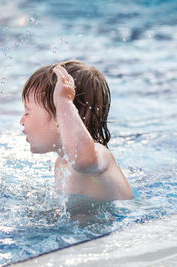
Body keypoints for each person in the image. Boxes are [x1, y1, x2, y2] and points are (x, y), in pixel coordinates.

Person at [20, 60, 133, 201]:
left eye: (27, 112)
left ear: (59, 121)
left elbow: (81, 160)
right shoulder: (60, 164)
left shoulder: (99, 155)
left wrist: (63, 102)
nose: (21, 121)